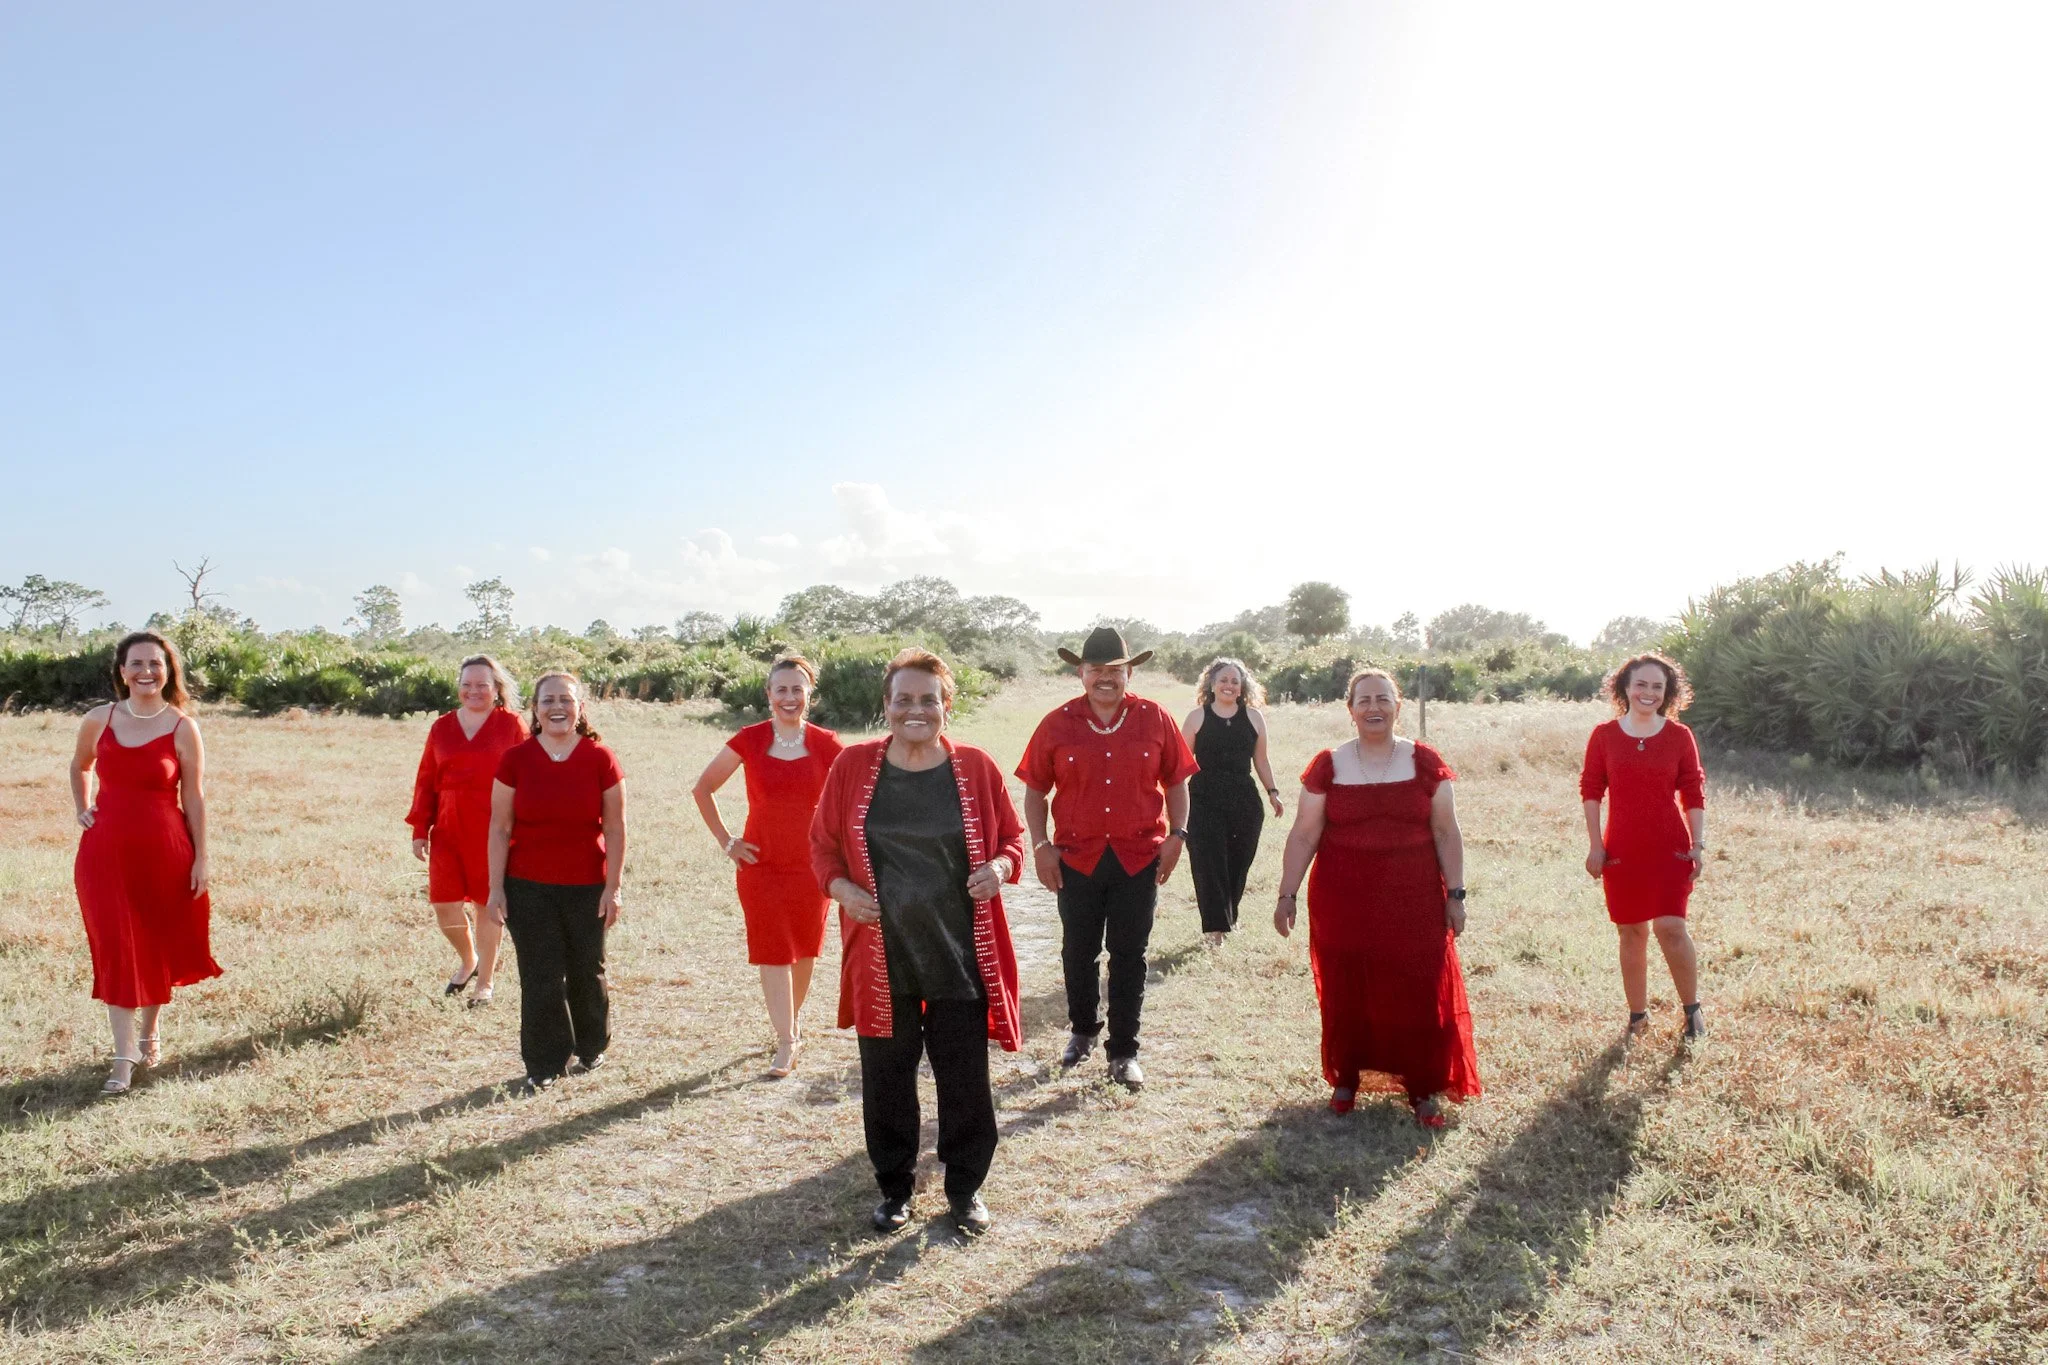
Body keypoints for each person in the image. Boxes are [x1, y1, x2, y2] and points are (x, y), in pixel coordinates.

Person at [810, 649, 1024, 1236]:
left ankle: (965, 1189)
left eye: (929, 699)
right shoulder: (853, 765)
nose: (916, 710)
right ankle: (895, 1188)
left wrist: (1000, 868)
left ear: (946, 705)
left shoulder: (976, 767)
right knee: (886, 1077)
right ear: (885, 706)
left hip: (959, 952)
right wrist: (841, 889)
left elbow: (1012, 840)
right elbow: (822, 845)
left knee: (964, 1079)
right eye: (903, 699)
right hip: (883, 954)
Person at [1274, 668, 1480, 1127]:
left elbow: (1447, 831)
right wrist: (1287, 894)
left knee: (1418, 986)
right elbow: (1304, 834)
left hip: (1415, 900)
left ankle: (1423, 1085)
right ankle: (1347, 1077)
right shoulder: (1328, 765)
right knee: (1347, 986)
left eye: (1383, 699)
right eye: (1364, 700)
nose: (1374, 707)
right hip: (1342, 900)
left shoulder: (1424, 762)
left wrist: (1456, 894)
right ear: (1350, 710)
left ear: (1398, 706)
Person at [1018, 626, 1198, 1089]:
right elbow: (1035, 791)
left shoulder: (1155, 718)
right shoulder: (1057, 723)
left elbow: (1176, 782)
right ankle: (1082, 1031)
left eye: (1115, 669)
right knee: (1078, 951)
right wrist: (1040, 845)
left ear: (1129, 673)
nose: (1105, 677)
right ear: (1080, 672)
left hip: (1139, 857)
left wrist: (1178, 835)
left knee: (1129, 953)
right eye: (1096, 668)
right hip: (1076, 858)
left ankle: (1124, 1051)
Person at [69, 631, 222, 1094]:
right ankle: (123, 1055)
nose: (146, 672)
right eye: (136, 663)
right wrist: (83, 806)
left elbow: (193, 796)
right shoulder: (99, 719)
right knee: (116, 947)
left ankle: (149, 1032)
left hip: (165, 852)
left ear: (168, 671)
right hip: (104, 855)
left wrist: (202, 858)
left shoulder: (182, 726)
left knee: (155, 943)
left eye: (155, 663)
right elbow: (80, 765)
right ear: (122, 671)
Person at [692, 655, 844, 1077]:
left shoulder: (827, 743)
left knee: (805, 949)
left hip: (811, 865)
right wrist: (727, 841)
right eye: (781, 689)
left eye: (797, 689)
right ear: (769, 694)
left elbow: (855, 791)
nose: (789, 697)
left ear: (809, 694)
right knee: (774, 950)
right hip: (761, 865)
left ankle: (790, 1023)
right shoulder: (749, 739)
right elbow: (703, 789)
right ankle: (787, 1039)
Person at [487, 672, 625, 1091]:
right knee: (540, 975)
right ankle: (545, 1062)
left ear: (580, 707)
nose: (557, 707)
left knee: (587, 968)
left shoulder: (600, 758)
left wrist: (613, 888)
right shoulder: (515, 760)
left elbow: (615, 827)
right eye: (548, 700)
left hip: (587, 886)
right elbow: (499, 828)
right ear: (535, 708)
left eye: (566, 699)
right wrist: (495, 889)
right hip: (527, 886)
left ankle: (591, 1044)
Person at [1581, 651, 1708, 1041]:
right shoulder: (1604, 736)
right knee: (1631, 932)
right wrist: (1596, 845)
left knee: (1671, 927)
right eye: (1641, 684)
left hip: (1670, 847)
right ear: (1625, 687)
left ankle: (1693, 1012)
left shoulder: (1679, 736)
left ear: (1668, 692)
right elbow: (1591, 790)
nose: (1648, 693)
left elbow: (1693, 792)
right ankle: (1638, 1017)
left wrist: (1698, 844)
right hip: (1622, 849)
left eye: (1657, 686)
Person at [406, 655, 527, 1006]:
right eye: (466, 684)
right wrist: (420, 827)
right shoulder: (441, 727)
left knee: (487, 906)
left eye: (482, 685)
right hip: (448, 828)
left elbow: (527, 776)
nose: (473, 691)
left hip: (494, 829)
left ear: (496, 689)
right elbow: (426, 778)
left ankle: (485, 983)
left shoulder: (511, 724)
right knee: (444, 906)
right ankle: (469, 959)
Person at [1181, 657, 1283, 947]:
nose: (1229, 685)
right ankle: (1216, 930)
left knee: (1238, 862)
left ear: (1242, 687)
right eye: (1223, 680)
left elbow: (1261, 760)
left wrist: (1272, 791)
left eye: (1235, 681)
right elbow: (1180, 763)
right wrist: (1172, 800)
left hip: (1244, 800)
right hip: (1203, 799)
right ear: (1212, 684)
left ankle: (1229, 917)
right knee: (1209, 862)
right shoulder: (1196, 717)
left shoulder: (1254, 718)